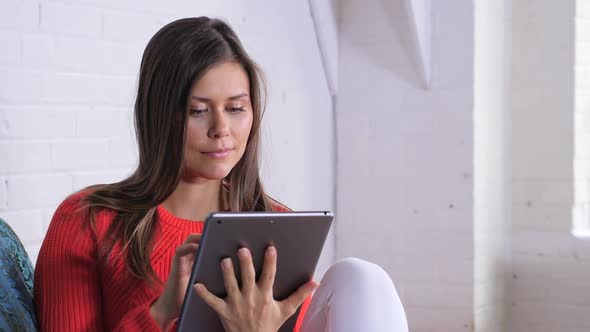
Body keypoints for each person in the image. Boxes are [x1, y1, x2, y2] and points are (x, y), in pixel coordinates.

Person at [34, 17, 408, 332]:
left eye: (235, 108)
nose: (221, 129)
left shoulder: (275, 224)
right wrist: (162, 313)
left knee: (361, 279)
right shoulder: (87, 219)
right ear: (161, 115)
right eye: (199, 111)